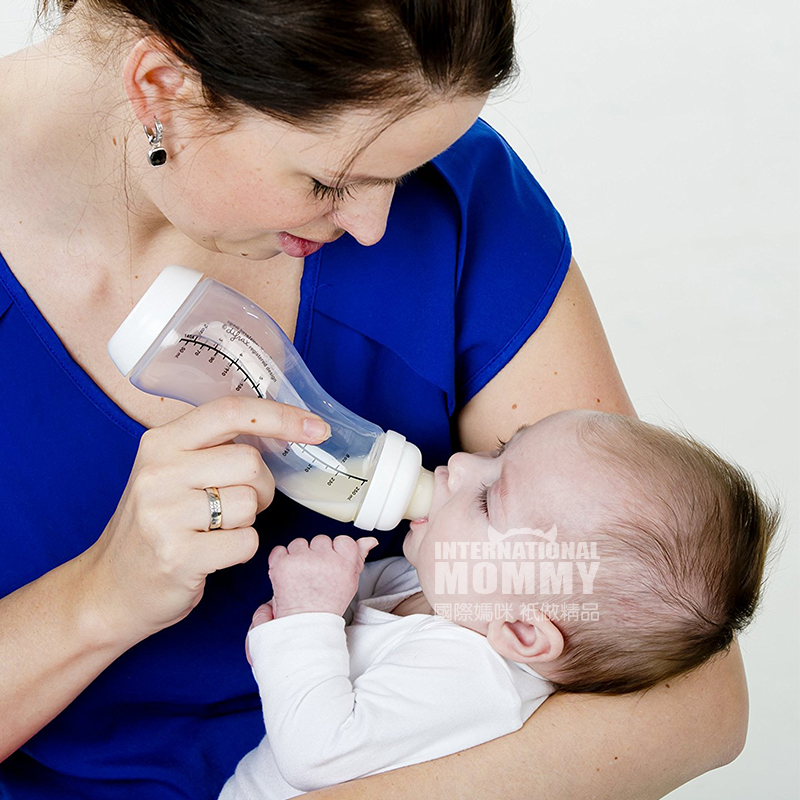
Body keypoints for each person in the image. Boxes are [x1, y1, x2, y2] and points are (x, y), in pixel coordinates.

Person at [0, 0, 750, 797]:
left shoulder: (453, 186)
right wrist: (101, 597)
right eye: (329, 181)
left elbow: (684, 692)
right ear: (160, 88)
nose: (373, 226)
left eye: (402, 175)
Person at [220, 409, 778, 799]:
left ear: (523, 630)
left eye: (488, 500)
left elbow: (316, 753)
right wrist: (300, 631)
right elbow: (333, 659)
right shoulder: (444, 594)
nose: (461, 464)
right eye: (503, 448)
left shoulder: (467, 676)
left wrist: (306, 620)